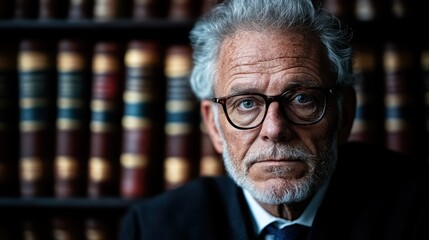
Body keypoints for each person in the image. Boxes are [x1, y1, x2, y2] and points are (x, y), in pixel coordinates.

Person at [119, 0, 429, 239]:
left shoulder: (415, 210)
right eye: (247, 103)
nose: (275, 129)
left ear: (344, 113)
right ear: (213, 124)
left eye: (302, 98)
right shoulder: (152, 229)